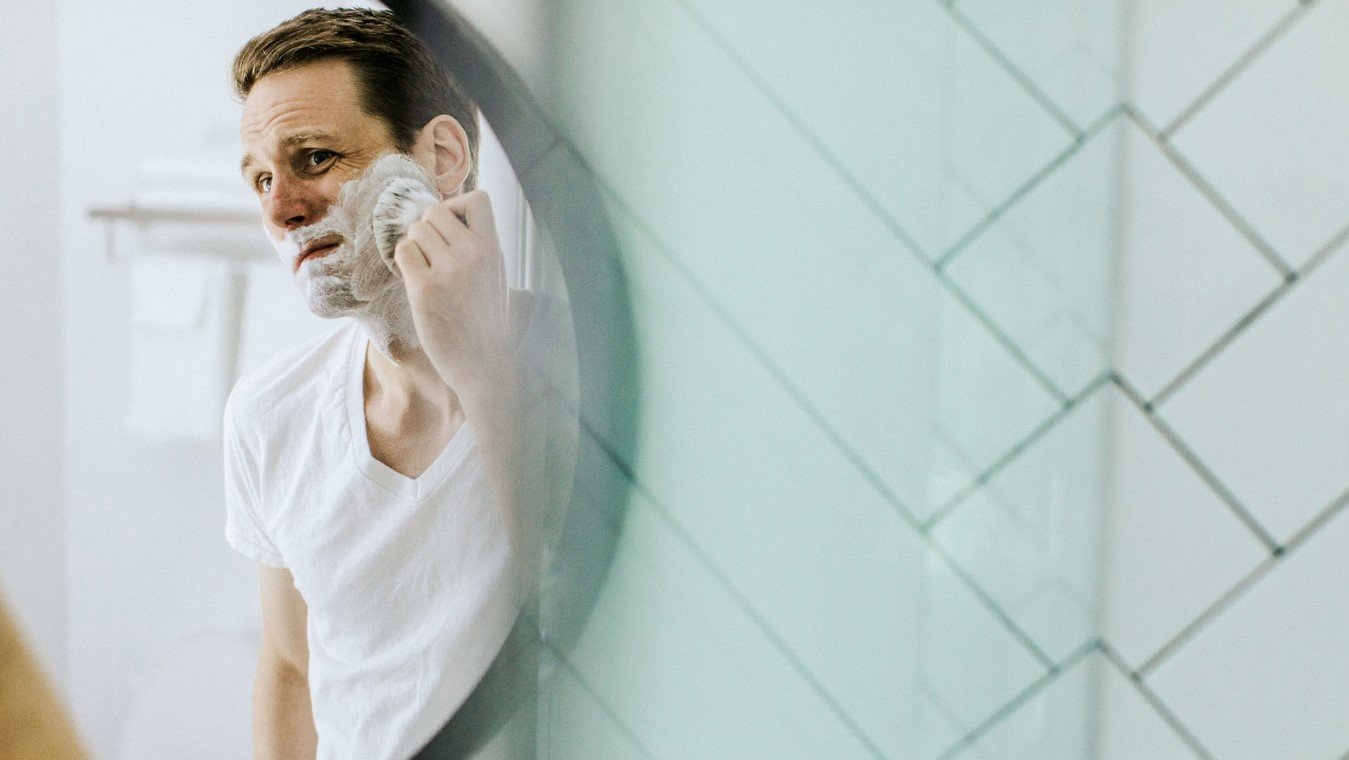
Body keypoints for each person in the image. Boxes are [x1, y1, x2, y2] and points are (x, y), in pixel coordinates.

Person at [224, 8, 568, 759]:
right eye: (260, 180)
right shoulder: (268, 415)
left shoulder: (577, 370)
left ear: (442, 157)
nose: (281, 209)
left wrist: (480, 367)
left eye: (313, 158)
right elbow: (289, 664)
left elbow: (576, 589)